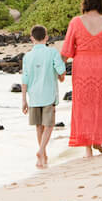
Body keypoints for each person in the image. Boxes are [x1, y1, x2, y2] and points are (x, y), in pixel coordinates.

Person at [60, 0, 102, 156]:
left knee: (84, 104)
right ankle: (98, 140)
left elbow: (66, 50)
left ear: (85, 2)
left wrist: (59, 70)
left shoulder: (76, 22)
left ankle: (88, 147)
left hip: (83, 66)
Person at [19, 24, 66, 169]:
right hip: (48, 95)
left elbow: (25, 79)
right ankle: (41, 152)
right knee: (49, 125)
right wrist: (61, 76)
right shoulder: (52, 53)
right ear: (46, 37)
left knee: (39, 126)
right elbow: (61, 71)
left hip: (33, 96)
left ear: (32, 38)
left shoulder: (27, 56)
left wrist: (23, 100)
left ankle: (43, 156)